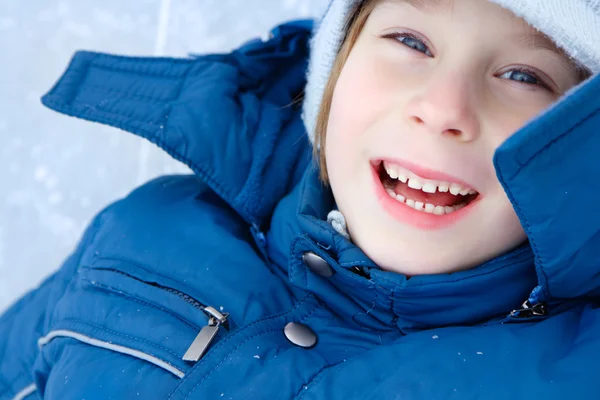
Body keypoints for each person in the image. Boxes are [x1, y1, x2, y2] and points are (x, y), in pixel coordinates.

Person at [2, 0, 599, 398]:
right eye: (410, 41)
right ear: (332, 72)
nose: (443, 108)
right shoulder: (145, 232)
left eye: (525, 76)